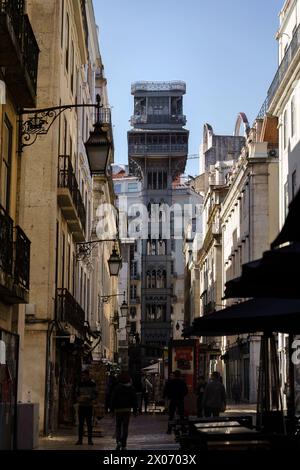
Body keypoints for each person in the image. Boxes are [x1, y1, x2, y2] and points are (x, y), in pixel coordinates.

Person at [110, 371, 138, 451]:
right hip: (127, 410)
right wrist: (135, 410)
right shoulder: (131, 388)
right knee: (125, 427)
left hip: (118, 410)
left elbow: (113, 399)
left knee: (118, 426)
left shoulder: (116, 388)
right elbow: (134, 400)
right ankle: (124, 443)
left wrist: (111, 410)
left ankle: (118, 441)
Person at [75, 369, 97, 445]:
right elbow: (77, 393)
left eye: (84, 375)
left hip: (88, 406)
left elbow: (95, 394)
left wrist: (90, 397)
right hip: (81, 405)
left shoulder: (92, 383)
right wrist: (78, 398)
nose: (83, 376)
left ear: (87, 375)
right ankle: (80, 440)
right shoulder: (80, 383)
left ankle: (90, 440)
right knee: (80, 424)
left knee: (89, 424)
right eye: (82, 375)